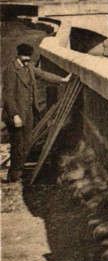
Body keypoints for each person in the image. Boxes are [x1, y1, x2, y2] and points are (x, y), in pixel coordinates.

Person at [2, 43, 71, 183]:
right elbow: (7, 95)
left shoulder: (29, 68)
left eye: (29, 57)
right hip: (16, 115)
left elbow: (44, 75)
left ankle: (17, 172)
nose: (27, 59)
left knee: (27, 143)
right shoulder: (10, 70)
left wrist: (62, 80)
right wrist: (14, 114)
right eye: (24, 57)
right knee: (18, 145)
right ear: (18, 55)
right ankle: (13, 176)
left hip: (28, 113)